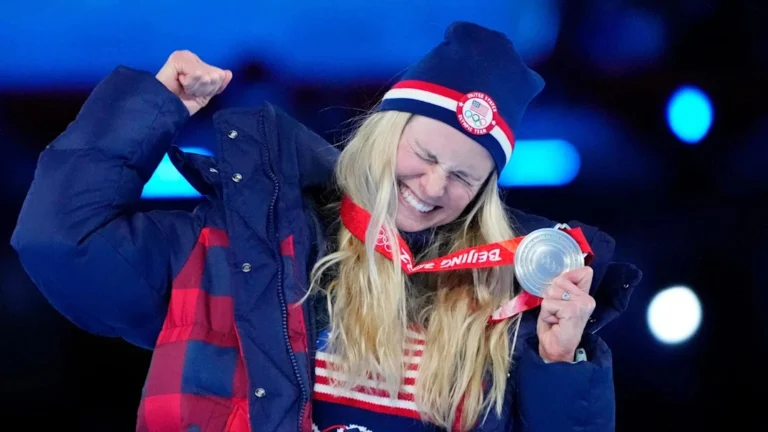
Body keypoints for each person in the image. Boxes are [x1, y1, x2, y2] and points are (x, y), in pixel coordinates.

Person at [11, 21, 642, 432]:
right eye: (424, 156)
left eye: (462, 177)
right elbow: (62, 241)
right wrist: (155, 108)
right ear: (383, 134)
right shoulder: (239, 249)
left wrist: (559, 361)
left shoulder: (499, 304)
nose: (433, 187)